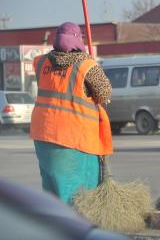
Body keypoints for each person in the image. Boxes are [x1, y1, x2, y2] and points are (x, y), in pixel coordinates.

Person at [30, 22, 113, 204]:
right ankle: (73, 227)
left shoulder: (41, 62)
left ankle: (55, 224)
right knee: (74, 191)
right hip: (73, 137)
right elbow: (105, 93)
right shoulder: (86, 65)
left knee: (52, 186)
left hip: (42, 134)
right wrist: (91, 63)